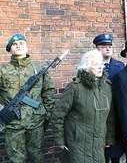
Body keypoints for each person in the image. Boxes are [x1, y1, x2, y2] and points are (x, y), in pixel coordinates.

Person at [51, 49, 115, 162]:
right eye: (95, 64)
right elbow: (58, 115)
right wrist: (60, 140)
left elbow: (110, 116)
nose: (100, 67)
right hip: (78, 143)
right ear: (86, 67)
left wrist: (109, 138)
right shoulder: (75, 88)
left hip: (99, 142)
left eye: (101, 64)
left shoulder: (107, 87)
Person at [0, 34, 55, 162]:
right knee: (16, 160)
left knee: (37, 157)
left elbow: (48, 94)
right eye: (14, 44)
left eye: (21, 43)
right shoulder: (3, 70)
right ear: (9, 49)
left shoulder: (38, 69)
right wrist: (1, 110)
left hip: (36, 123)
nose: (18, 45)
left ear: (27, 47)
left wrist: (46, 115)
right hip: (12, 125)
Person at [93, 33, 125, 163]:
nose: (108, 49)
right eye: (103, 46)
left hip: (116, 110)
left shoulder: (120, 66)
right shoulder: (92, 66)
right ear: (97, 49)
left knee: (116, 144)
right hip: (100, 109)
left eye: (110, 46)